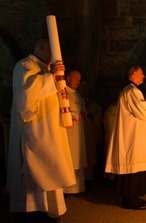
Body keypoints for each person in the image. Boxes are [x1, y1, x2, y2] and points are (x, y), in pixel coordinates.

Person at [6, 39, 76, 222]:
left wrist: (67, 113)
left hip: (51, 130)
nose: (53, 57)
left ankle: (49, 210)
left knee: (52, 168)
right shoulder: (24, 65)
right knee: (36, 170)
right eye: (51, 52)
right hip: (35, 131)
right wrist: (51, 76)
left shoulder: (46, 69)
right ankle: (33, 211)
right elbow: (27, 96)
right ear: (42, 49)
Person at [105, 65, 146, 210]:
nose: (143, 76)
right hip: (133, 135)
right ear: (134, 74)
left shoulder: (130, 90)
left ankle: (134, 196)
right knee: (133, 165)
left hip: (134, 133)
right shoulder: (132, 90)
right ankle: (129, 199)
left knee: (136, 165)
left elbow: (140, 106)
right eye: (141, 74)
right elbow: (141, 110)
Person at [64, 70, 88, 194]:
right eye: (76, 79)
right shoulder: (63, 92)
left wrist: (83, 112)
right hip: (69, 132)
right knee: (69, 158)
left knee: (77, 158)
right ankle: (66, 188)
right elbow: (61, 108)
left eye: (79, 80)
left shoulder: (76, 94)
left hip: (78, 132)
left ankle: (76, 187)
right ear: (68, 78)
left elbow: (82, 107)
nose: (78, 82)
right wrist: (74, 115)